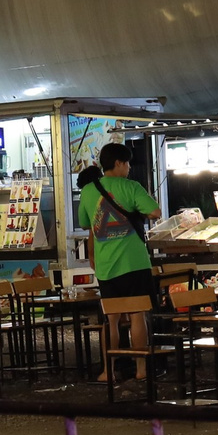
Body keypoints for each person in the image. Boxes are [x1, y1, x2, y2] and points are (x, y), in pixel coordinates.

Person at [78, 142, 158, 382]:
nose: (129, 168)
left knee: (111, 319)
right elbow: (155, 212)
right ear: (119, 163)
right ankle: (141, 369)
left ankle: (108, 371)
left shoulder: (88, 191)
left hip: (106, 267)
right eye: (128, 163)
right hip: (134, 263)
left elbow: (86, 223)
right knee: (137, 316)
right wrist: (136, 212)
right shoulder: (131, 186)